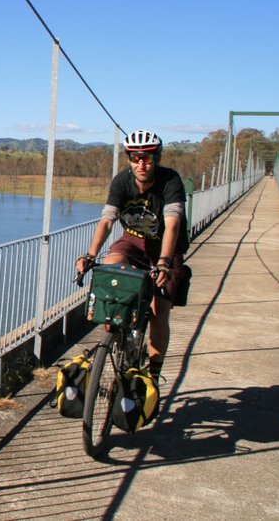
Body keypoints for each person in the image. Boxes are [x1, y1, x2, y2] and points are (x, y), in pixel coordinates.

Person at [75, 129, 189, 381]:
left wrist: (164, 262)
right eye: (135, 158)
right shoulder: (121, 181)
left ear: (157, 157)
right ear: (129, 158)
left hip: (166, 249)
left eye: (147, 158)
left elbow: (172, 224)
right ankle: (118, 336)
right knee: (110, 273)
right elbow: (107, 221)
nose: (141, 163)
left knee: (159, 313)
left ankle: (153, 375)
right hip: (133, 243)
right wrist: (91, 254)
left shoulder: (170, 180)